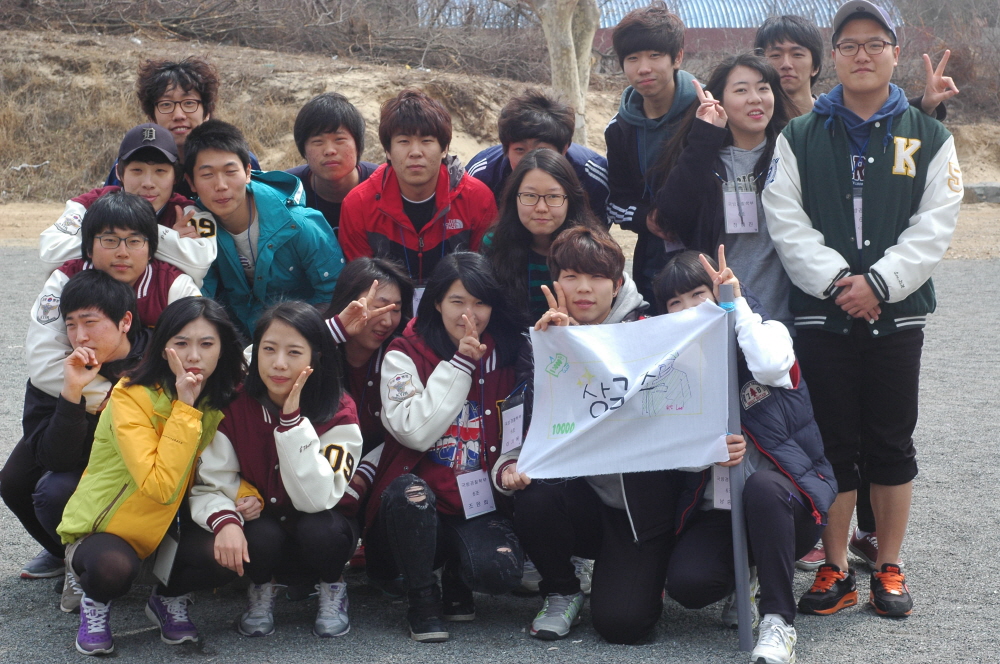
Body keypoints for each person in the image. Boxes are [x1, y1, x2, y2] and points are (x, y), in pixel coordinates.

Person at [762, 0, 963, 619]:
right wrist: (839, 284)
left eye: (875, 43)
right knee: (833, 443)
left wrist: (879, 283)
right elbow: (785, 219)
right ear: (835, 57)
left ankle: (888, 565)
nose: (862, 55)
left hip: (896, 315)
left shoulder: (929, 135)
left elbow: (936, 223)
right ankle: (835, 565)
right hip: (823, 315)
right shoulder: (799, 135)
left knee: (891, 441)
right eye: (849, 45)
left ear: (895, 53)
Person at [493, 226, 745, 644]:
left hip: (642, 512)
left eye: (596, 277)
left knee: (623, 625)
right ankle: (562, 590)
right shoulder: (542, 339)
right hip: (582, 498)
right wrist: (558, 351)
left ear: (616, 283)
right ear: (556, 283)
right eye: (571, 277)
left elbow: (692, 401)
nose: (583, 288)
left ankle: (684, 570)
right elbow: (525, 425)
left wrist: (716, 444)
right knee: (535, 495)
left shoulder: (652, 329)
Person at [652, 249, 835, 664]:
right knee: (688, 584)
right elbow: (673, 451)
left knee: (763, 487)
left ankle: (778, 621)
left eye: (698, 295)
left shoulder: (768, 333)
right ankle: (746, 579)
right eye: (675, 302)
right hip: (720, 511)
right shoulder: (675, 368)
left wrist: (736, 306)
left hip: (789, 504)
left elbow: (769, 367)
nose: (688, 309)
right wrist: (707, 453)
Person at [56, 296, 246, 655]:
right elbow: (159, 486)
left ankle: (167, 598)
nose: (194, 356)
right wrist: (185, 408)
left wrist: (246, 496)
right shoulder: (130, 395)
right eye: (181, 343)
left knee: (227, 555)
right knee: (111, 568)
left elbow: (231, 463)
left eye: (207, 344)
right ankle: (95, 601)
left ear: (223, 349)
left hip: (171, 529)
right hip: (110, 529)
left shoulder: (221, 396)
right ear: (162, 348)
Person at [364, 252, 527, 643]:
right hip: (414, 506)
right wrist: (460, 364)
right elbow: (414, 431)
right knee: (409, 495)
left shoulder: (508, 353)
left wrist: (509, 467)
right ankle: (421, 597)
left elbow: (520, 430)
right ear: (436, 302)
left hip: (478, 501)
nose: (469, 313)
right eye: (457, 301)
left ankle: (458, 575)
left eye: (480, 302)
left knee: (499, 573)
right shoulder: (404, 352)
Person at [188, 301, 363, 638]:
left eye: (294, 352)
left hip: (321, 530)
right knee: (258, 533)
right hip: (266, 531)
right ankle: (261, 586)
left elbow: (317, 499)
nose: (279, 363)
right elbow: (215, 481)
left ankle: (333, 584)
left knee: (322, 530)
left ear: (316, 357)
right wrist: (232, 511)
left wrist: (293, 423)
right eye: (268, 349)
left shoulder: (339, 409)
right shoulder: (235, 404)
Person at [0, 271, 148, 604]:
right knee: (38, 487)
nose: (80, 337)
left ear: (125, 321)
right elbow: (56, 459)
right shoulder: (59, 369)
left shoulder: (157, 359)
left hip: (143, 468)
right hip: (84, 463)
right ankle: (70, 556)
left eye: (90, 322)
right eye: (70, 325)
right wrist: (71, 393)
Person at [650, 54, 794, 326]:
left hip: (785, 316)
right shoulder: (701, 157)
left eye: (763, 88)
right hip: (717, 316)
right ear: (719, 100)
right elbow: (671, 214)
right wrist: (705, 136)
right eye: (741, 90)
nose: (755, 98)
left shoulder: (791, 154)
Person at [27, 191, 202, 415]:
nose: (122, 253)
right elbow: (43, 361)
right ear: (88, 248)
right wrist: (109, 397)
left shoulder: (173, 286)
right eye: (109, 240)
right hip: (82, 403)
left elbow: (202, 349)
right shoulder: (64, 281)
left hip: (156, 402)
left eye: (134, 241)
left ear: (151, 250)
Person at [183, 120, 345, 338]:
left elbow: (334, 294)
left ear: (248, 172)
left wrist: (290, 337)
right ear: (191, 182)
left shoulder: (298, 224)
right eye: (207, 175)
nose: (220, 185)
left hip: (302, 338)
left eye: (230, 171)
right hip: (238, 339)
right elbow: (201, 297)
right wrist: (180, 250)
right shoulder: (197, 226)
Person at [338, 90, 497, 294]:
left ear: (444, 149)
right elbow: (362, 286)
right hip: (386, 307)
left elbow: (484, 278)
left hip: (458, 306)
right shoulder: (358, 204)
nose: (415, 152)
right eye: (403, 141)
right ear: (388, 150)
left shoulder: (477, 199)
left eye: (426, 141)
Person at [40, 123, 217, 286]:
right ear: (119, 173)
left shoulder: (189, 213)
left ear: (176, 177)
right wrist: (170, 241)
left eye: (160, 171)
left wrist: (108, 239)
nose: (148, 183)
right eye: (137, 170)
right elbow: (51, 254)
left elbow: (201, 263)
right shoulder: (88, 204)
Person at [605, 0, 697, 304]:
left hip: (712, 251)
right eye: (632, 58)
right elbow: (617, 200)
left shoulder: (707, 111)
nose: (643, 68)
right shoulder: (619, 129)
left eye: (655, 55)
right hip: (655, 260)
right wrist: (646, 218)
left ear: (677, 57)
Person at [105, 57, 260, 196]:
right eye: (166, 104)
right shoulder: (132, 162)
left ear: (206, 112)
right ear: (152, 116)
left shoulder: (236, 159)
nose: (179, 115)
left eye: (189, 103)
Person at [755, 14, 957, 119]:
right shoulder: (754, 121)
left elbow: (875, 118)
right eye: (775, 55)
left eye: (797, 54)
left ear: (816, 64)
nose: (786, 64)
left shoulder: (833, 117)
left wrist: (925, 106)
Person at [482, 148, 602, 320]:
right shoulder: (495, 244)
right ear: (514, 198)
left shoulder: (593, 246)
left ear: (570, 199)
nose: (541, 208)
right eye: (530, 196)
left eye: (553, 197)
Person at [467, 88, 609, 225]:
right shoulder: (481, 176)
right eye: (520, 150)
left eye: (542, 150)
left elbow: (597, 231)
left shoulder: (593, 178)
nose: (531, 159)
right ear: (506, 149)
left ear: (564, 149)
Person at [325, 257, 414, 457]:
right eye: (378, 307)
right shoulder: (320, 340)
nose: (387, 321)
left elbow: (409, 432)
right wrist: (336, 331)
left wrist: (369, 468)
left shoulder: (402, 356)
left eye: (396, 310)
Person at [286, 93, 379, 238]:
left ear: (358, 145)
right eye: (318, 141)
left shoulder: (383, 184)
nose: (329, 150)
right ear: (303, 150)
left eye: (339, 139)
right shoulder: (287, 190)